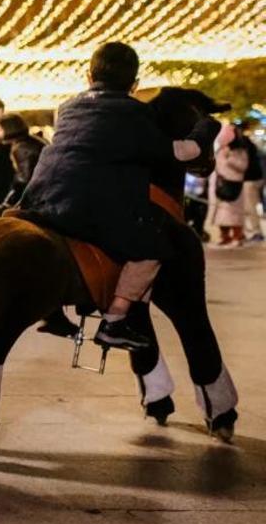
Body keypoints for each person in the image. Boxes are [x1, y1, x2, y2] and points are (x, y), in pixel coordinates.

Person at [18, 42, 219, 350]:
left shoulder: (68, 107)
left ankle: (53, 310)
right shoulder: (134, 113)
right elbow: (181, 153)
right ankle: (115, 320)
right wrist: (206, 129)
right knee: (153, 248)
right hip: (84, 206)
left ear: (88, 76)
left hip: (39, 198)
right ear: (135, 84)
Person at [0, 113, 46, 208]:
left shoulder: (21, 148)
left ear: (9, 129)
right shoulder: (28, 142)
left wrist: (9, 202)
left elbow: (23, 179)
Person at [212, 124, 249, 248]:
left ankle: (237, 236)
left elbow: (242, 166)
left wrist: (229, 159)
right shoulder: (221, 149)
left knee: (234, 213)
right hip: (222, 184)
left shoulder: (239, 151)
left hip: (234, 184)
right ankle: (225, 236)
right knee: (222, 214)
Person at [228, 122, 263, 242]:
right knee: (249, 206)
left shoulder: (242, 143)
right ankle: (252, 232)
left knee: (250, 206)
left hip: (250, 179)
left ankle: (256, 232)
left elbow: (243, 164)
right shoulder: (246, 142)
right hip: (254, 178)